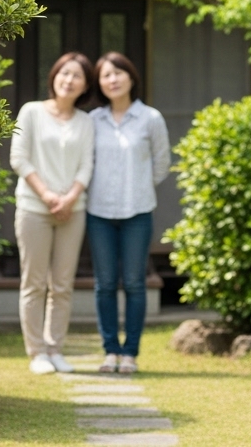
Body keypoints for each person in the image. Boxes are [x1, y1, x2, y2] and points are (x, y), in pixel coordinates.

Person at [10, 51, 96, 375]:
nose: (68, 80)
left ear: (85, 85)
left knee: (62, 283)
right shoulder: (31, 112)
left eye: (76, 76)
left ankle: (55, 348)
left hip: (73, 211)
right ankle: (36, 353)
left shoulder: (85, 122)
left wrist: (70, 197)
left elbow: (87, 164)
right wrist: (47, 195)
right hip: (34, 208)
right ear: (54, 76)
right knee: (34, 283)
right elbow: (19, 158)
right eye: (64, 73)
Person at [86, 52, 171, 374]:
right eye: (106, 75)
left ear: (131, 78)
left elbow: (161, 163)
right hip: (99, 213)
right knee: (104, 284)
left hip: (138, 211)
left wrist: (138, 186)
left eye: (119, 73)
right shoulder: (93, 120)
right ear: (100, 82)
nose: (113, 79)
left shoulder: (150, 118)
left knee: (135, 283)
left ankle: (131, 353)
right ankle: (111, 351)